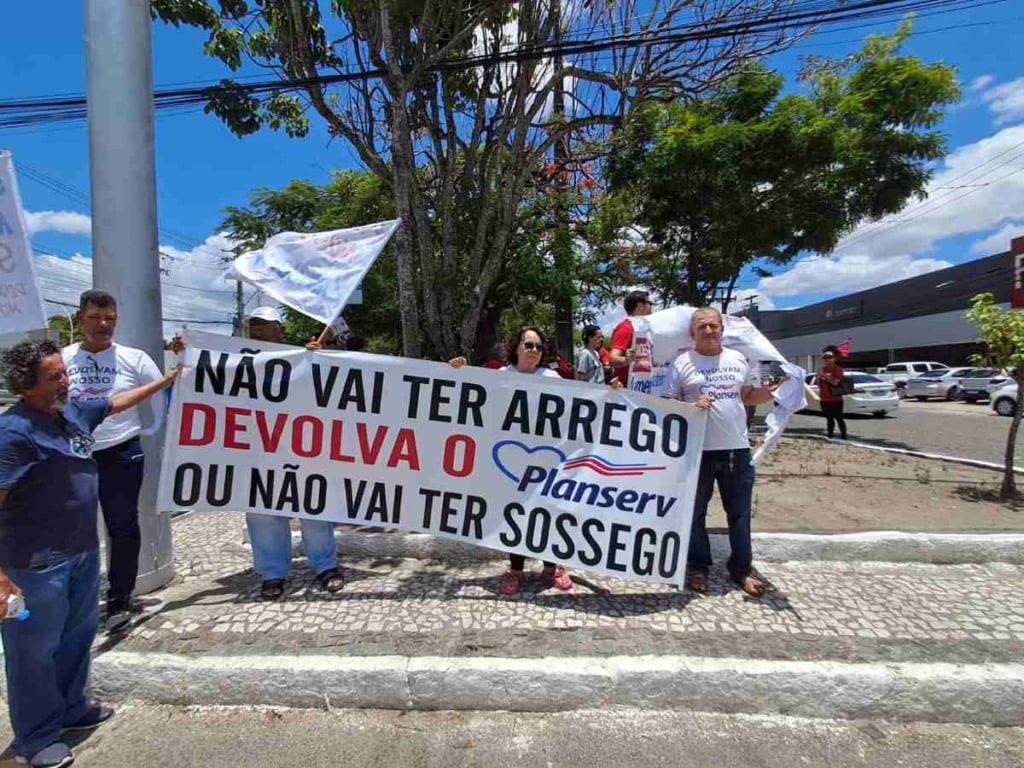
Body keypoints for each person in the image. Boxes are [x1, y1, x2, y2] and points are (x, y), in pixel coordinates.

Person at [0, 340, 177, 768]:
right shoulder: (13, 433)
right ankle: (36, 739)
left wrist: (167, 380)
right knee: (33, 651)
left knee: (76, 638)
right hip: (36, 564)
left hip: (81, 552)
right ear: (25, 386)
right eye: (54, 377)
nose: (66, 380)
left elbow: (117, 402)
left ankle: (71, 707)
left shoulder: (72, 411)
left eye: (64, 371)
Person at [62, 290, 165, 633]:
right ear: (80, 318)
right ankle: (75, 597)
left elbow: (164, 389)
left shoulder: (134, 358)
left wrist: (151, 428)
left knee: (122, 527)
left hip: (122, 453)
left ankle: (120, 598)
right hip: (73, 456)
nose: (104, 325)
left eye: (110, 319)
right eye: (95, 318)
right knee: (72, 528)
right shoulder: (63, 358)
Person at [450, 327, 574, 596]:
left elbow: (582, 404)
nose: (534, 351)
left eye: (539, 347)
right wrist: (458, 371)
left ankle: (551, 567)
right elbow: (474, 393)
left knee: (546, 510)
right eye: (528, 345)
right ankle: (516, 570)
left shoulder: (552, 378)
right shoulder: (501, 376)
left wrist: (612, 392)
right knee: (515, 512)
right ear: (515, 347)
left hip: (546, 457)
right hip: (509, 459)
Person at [667, 308, 779, 598]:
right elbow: (668, 404)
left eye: (713, 325)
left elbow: (747, 396)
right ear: (692, 333)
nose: (708, 330)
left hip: (736, 450)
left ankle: (741, 570)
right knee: (694, 513)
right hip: (696, 452)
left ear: (721, 329)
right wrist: (690, 407)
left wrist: (773, 391)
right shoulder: (681, 362)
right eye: (701, 326)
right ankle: (697, 567)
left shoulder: (738, 359)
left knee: (740, 514)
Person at [239, 307, 344, 600]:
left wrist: (319, 359)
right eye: (253, 324)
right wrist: (184, 354)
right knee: (263, 511)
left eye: (264, 324)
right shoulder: (238, 360)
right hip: (258, 448)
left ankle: (325, 566)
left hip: (303, 446)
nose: (257, 328)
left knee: (314, 506)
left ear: (280, 331)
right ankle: (272, 572)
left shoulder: (304, 357)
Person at [609, 290, 653, 386]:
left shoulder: (643, 329)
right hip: (625, 389)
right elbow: (613, 359)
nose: (651, 307)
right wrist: (626, 360)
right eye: (649, 303)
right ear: (640, 306)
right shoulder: (626, 327)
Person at [816, 345, 847, 440]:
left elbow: (835, 382)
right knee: (829, 418)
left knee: (839, 418)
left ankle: (843, 436)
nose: (826, 359)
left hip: (836, 399)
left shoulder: (838, 369)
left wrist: (825, 377)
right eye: (824, 357)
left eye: (829, 357)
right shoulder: (821, 370)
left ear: (834, 358)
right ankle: (830, 435)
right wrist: (818, 378)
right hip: (824, 399)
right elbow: (819, 385)